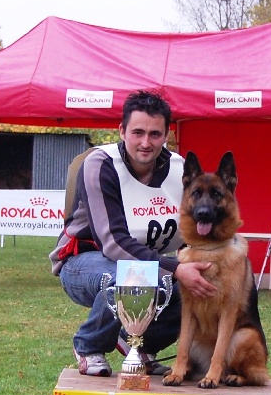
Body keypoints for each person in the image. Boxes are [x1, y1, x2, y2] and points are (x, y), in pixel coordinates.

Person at [50, 90, 216, 376]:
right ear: (122, 131)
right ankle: (89, 345)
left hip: (147, 265)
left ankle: (140, 347)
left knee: (200, 287)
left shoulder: (179, 169)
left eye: (155, 134)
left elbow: (195, 225)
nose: (145, 143)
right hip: (83, 261)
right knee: (132, 278)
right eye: (138, 132)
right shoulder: (100, 164)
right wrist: (176, 269)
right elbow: (112, 242)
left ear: (166, 135)